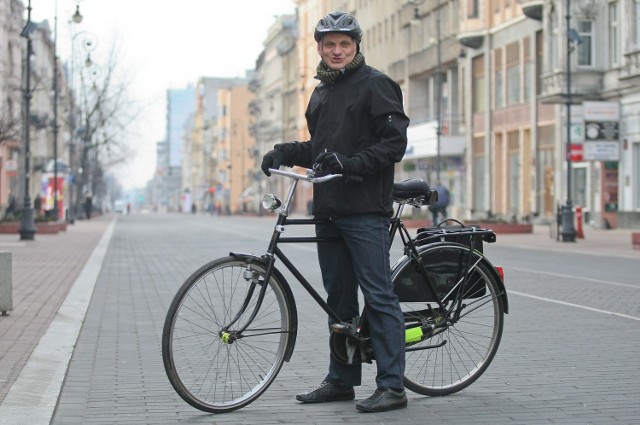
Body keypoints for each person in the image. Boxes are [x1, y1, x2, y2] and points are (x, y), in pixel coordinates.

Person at [261, 11, 409, 413]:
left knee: (378, 295)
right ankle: (341, 380)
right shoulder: (322, 91)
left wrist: (352, 164)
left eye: (344, 44)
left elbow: (393, 145)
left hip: (364, 208)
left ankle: (393, 386)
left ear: (356, 46)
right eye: (330, 45)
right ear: (320, 50)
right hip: (328, 206)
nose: (337, 51)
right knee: (338, 298)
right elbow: (320, 149)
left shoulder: (376, 84)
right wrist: (287, 152)